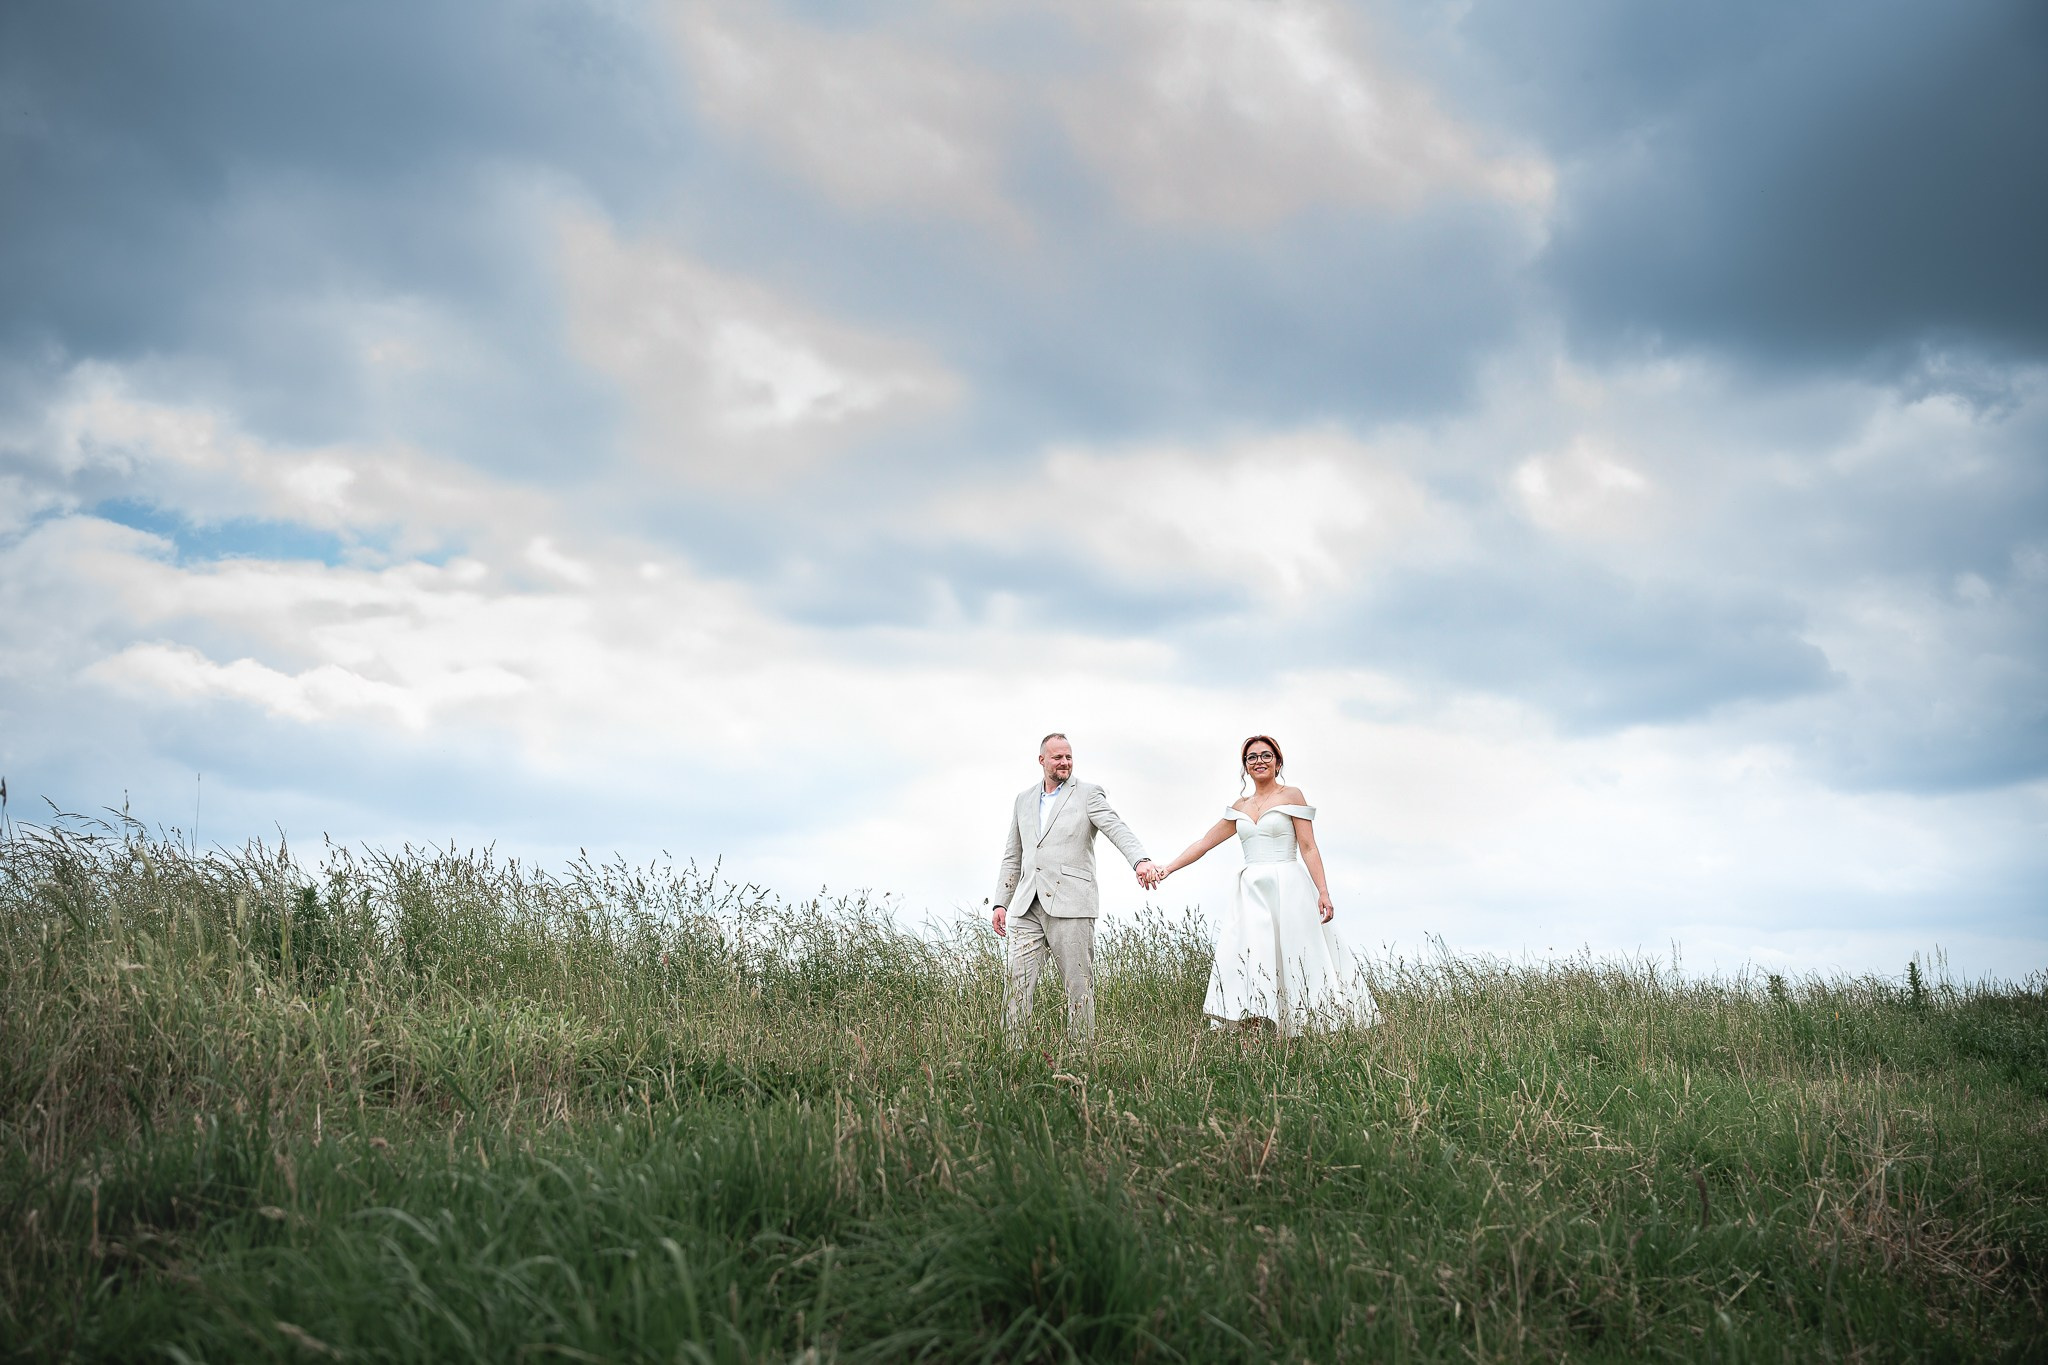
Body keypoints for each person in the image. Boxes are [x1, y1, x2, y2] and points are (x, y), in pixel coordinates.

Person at [1152, 734, 1378, 1035]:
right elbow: (1205, 842)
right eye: (1252, 757)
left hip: (1289, 886)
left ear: (1278, 761)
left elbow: (1309, 847)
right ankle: (1256, 1025)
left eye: (1265, 756)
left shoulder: (1292, 796)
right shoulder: (1240, 805)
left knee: (1297, 954)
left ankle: (1305, 1026)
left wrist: (1323, 891)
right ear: (1245, 766)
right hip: (1251, 890)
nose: (1259, 761)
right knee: (1252, 953)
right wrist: (1167, 868)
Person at [991, 733, 1161, 1046]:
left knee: (1078, 987)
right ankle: (1012, 1057)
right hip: (1028, 905)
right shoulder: (1023, 800)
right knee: (1016, 984)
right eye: (1057, 757)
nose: (1065, 762)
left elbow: (1116, 828)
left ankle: (1080, 1060)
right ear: (1042, 760)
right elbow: (1013, 854)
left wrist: (1141, 860)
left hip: (1072, 903)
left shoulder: (1088, 794)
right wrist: (1000, 902)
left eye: (1069, 757)